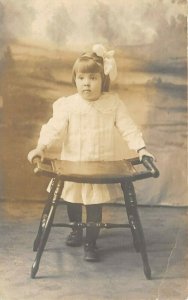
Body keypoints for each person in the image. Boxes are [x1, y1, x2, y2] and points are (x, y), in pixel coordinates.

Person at [27, 44, 155, 262]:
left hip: (99, 166)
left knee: (94, 203)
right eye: (81, 78)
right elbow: (53, 128)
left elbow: (128, 127)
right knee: (73, 200)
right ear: (75, 80)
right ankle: (76, 231)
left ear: (103, 80)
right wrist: (41, 147)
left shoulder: (112, 103)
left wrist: (141, 148)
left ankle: (91, 241)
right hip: (73, 165)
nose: (87, 83)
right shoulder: (68, 105)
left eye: (93, 78)